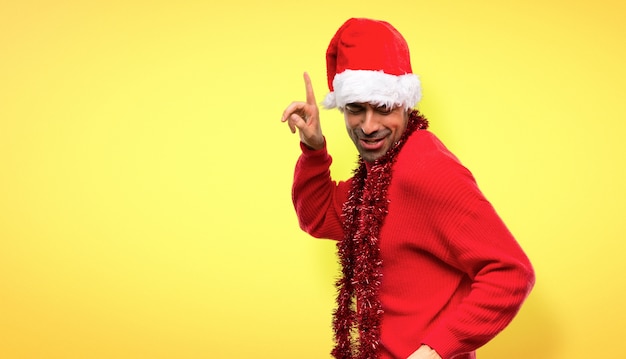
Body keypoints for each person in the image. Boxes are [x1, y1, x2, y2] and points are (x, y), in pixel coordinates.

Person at [280, 18, 535, 359]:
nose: (368, 127)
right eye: (356, 109)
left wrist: (433, 351)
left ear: (405, 102)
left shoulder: (426, 167)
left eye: (383, 108)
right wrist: (313, 148)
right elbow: (319, 216)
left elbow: (511, 273)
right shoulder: (377, 172)